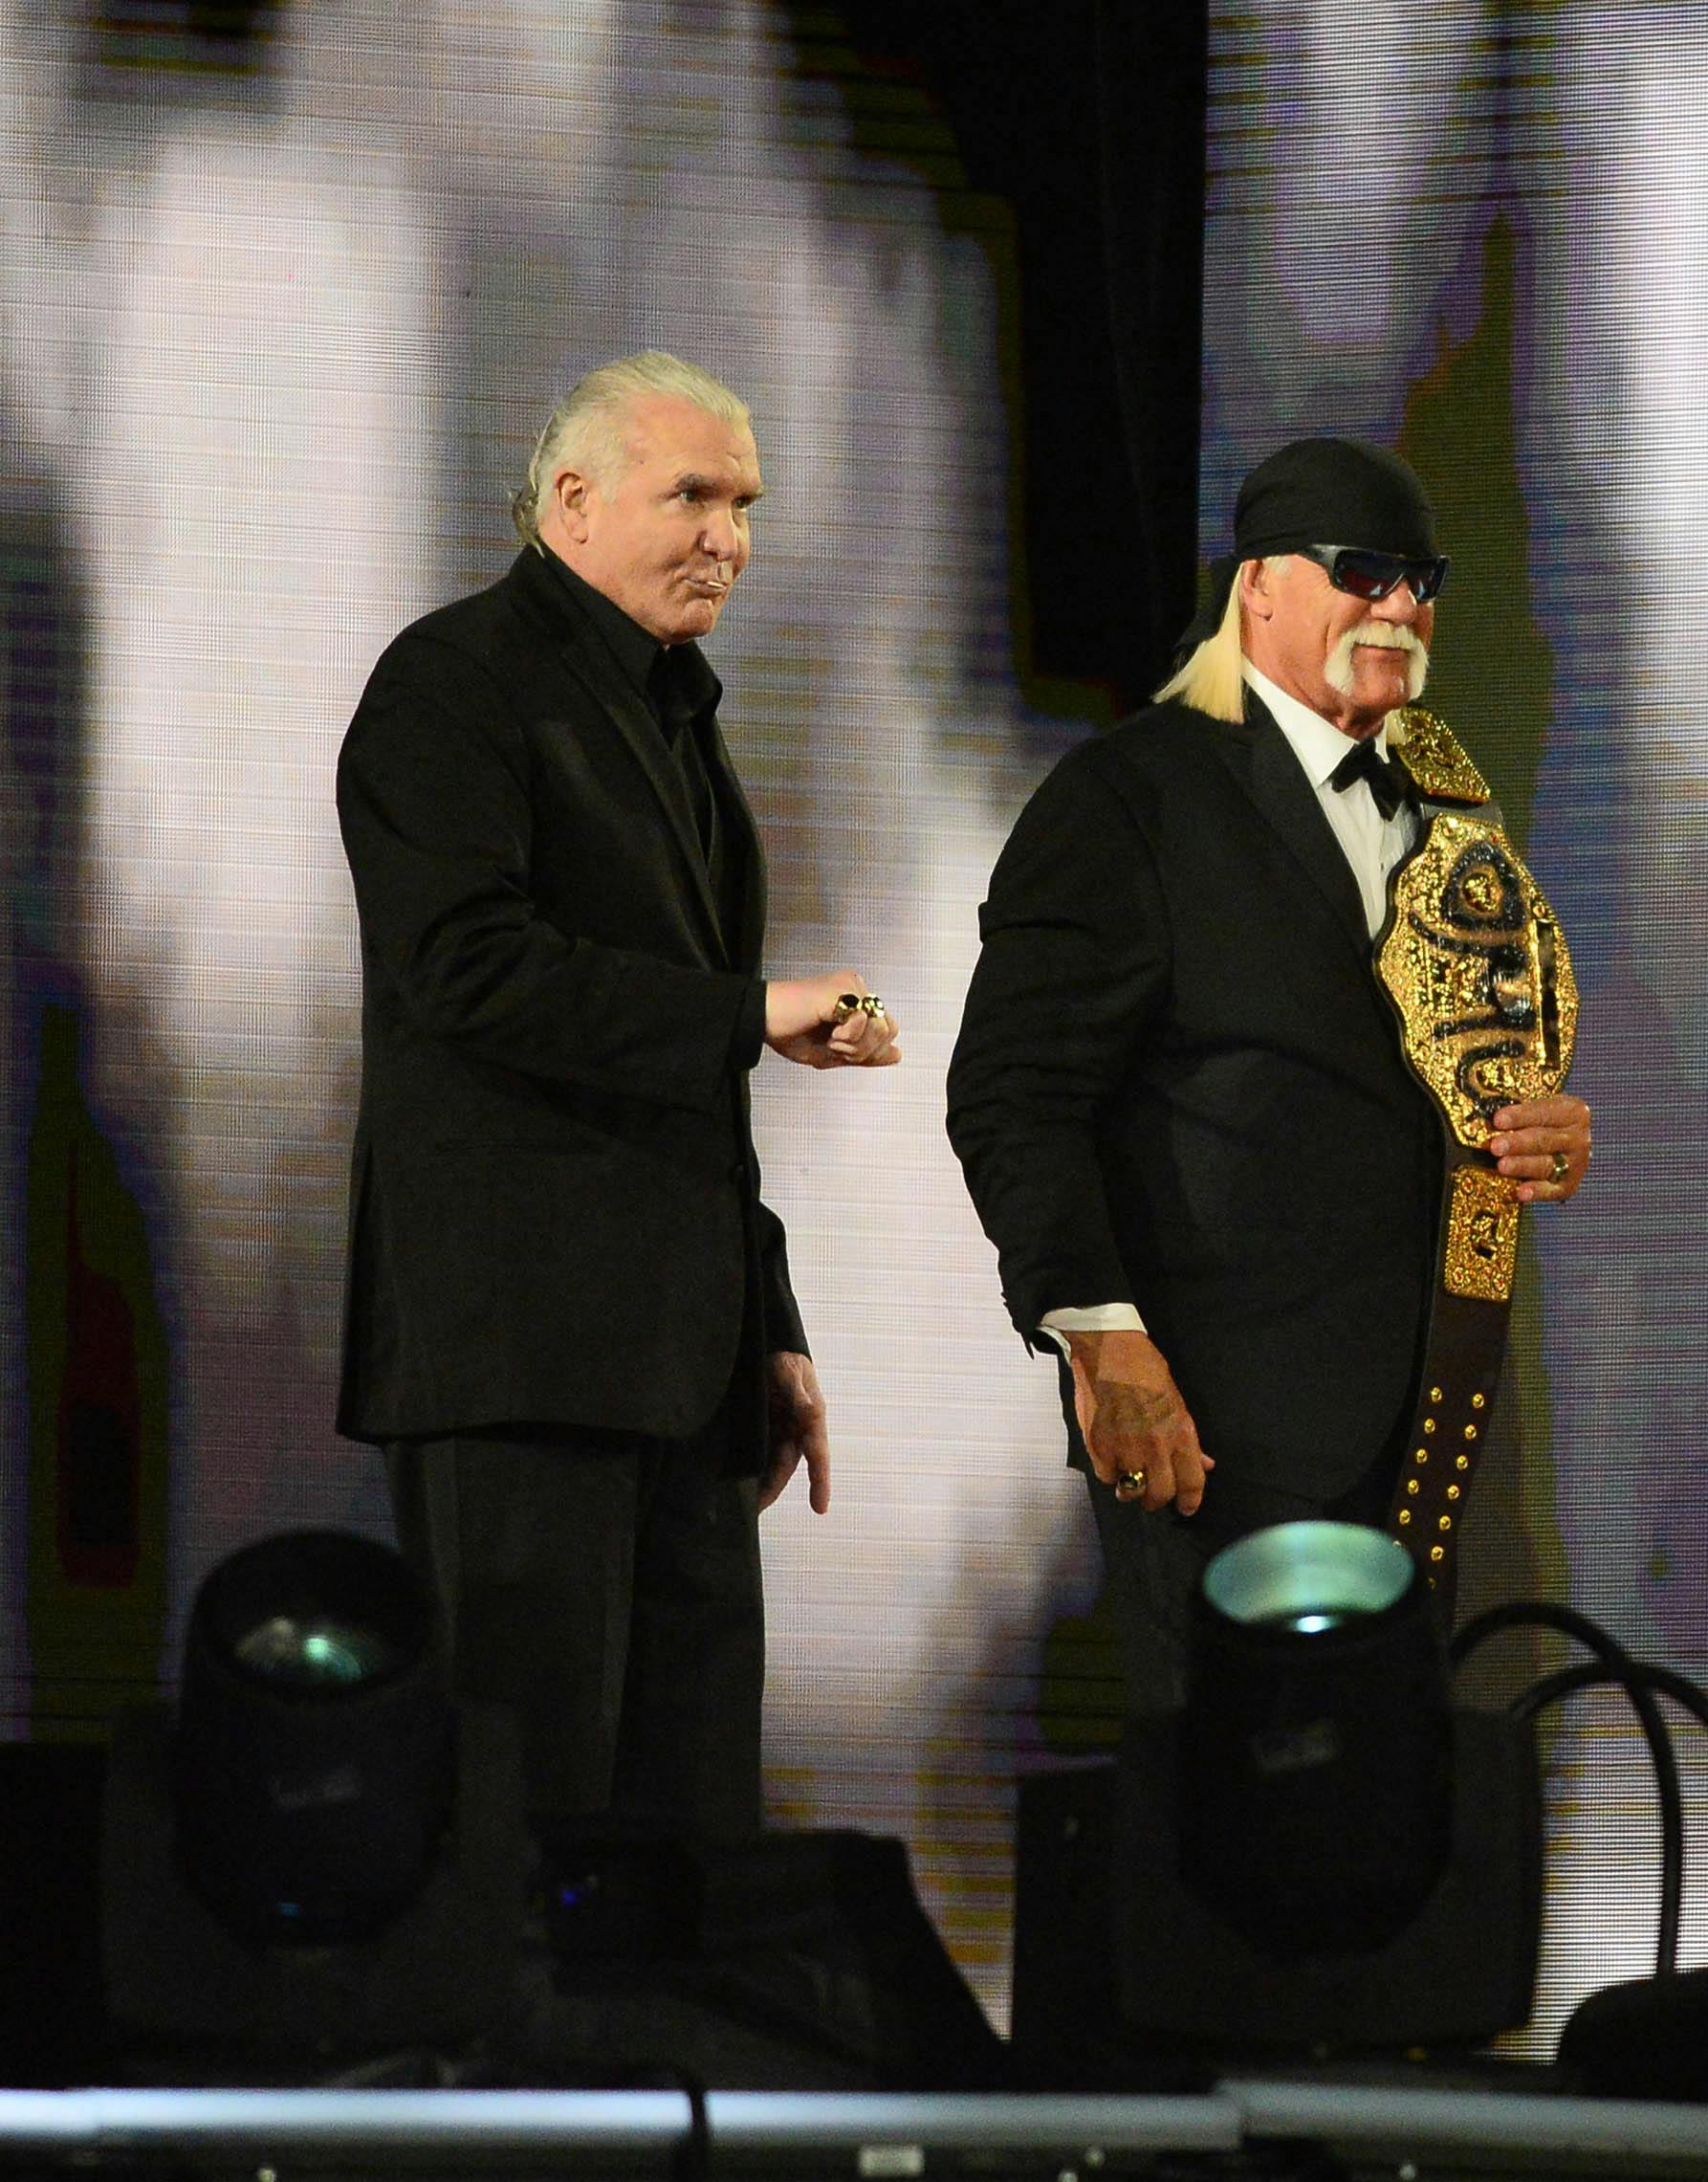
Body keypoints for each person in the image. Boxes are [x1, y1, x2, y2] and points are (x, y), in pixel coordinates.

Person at [337, 351, 901, 1841]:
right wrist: (745, 1012)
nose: (732, 534)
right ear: (572, 502)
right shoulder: (454, 684)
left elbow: (686, 1094)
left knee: (689, 1845)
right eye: (695, 494)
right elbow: (465, 967)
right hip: (520, 1363)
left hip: (685, 1374)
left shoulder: (675, 715)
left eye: (746, 503)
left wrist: (766, 1323)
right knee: (523, 1837)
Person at [946, 436, 1594, 1709]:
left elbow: (1467, 1067)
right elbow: (1014, 1094)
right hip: (1216, 1433)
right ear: (1259, 586)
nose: (1401, 607)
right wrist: (1100, 1339)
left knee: (1392, 1834)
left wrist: (1531, 1130)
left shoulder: (1447, 805)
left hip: (1429, 1421)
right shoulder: (1131, 796)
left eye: (1423, 580)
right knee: (1233, 1838)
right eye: (1364, 572)